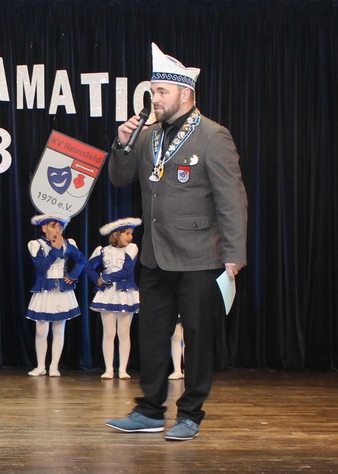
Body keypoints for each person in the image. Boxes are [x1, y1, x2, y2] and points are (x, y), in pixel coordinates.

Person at [105, 43, 248, 441]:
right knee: (151, 335)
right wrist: (122, 143)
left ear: (185, 94)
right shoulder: (148, 135)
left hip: (201, 257)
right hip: (155, 255)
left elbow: (232, 198)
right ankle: (149, 411)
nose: (155, 98)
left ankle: (190, 414)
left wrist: (234, 254)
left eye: (162, 92)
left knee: (198, 339)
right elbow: (120, 178)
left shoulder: (213, 136)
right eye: (153, 91)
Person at [26, 213, 86, 377]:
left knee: (59, 329)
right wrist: (55, 250)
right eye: (53, 226)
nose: (57, 230)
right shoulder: (36, 245)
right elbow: (41, 268)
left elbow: (82, 260)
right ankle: (40, 366)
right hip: (44, 291)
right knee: (41, 330)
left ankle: (54, 366)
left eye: (60, 227)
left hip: (61, 291)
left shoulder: (68, 244)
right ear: (44, 227)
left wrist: (73, 275)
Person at [85, 217, 142, 380]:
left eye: (131, 233)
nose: (131, 237)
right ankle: (109, 369)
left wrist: (106, 277)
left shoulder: (131, 249)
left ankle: (123, 369)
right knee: (109, 333)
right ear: (117, 234)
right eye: (127, 233)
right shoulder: (103, 251)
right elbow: (88, 267)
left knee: (124, 333)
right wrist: (97, 279)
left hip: (125, 293)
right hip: (108, 294)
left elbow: (127, 272)